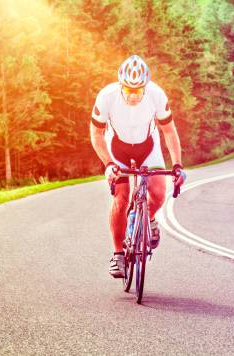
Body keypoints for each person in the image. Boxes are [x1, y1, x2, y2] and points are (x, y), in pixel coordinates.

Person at [90, 55, 186, 278]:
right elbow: (96, 133)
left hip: (148, 147)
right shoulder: (107, 96)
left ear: (146, 86)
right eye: (129, 90)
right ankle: (118, 255)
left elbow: (169, 131)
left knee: (160, 193)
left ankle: (148, 219)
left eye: (138, 90)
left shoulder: (156, 95)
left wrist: (178, 165)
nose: (134, 95)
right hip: (118, 149)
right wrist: (108, 164)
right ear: (121, 85)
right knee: (121, 197)